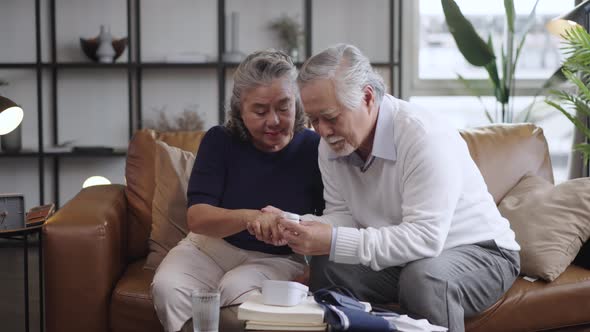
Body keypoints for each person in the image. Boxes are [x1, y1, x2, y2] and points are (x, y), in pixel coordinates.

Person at [270, 44, 521, 332]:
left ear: (366, 97)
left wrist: (334, 240)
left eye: (331, 117)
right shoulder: (330, 145)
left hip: (481, 252)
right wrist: (299, 225)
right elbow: (344, 216)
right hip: (408, 259)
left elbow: (426, 238)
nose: (322, 131)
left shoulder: (423, 136)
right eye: (314, 120)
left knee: (424, 278)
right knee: (329, 266)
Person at [151, 50, 324, 332]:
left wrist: (315, 269)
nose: (274, 121)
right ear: (240, 111)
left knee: (237, 291)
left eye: (284, 107)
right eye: (259, 111)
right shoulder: (220, 141)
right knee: (168, 288)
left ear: (298, 104)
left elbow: (334, 217)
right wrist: (250, 217)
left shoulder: (315, 149)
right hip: (208, 248)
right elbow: (198, 217)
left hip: (277, 259)